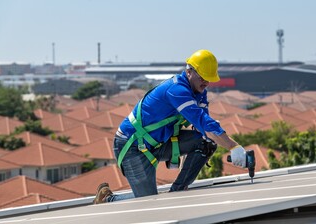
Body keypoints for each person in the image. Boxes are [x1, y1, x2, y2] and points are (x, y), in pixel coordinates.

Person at [93, 49, 248, 204]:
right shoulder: (176, 90)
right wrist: (233, 147)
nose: (206, 82)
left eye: (209, 79)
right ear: (189, 72)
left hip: (157, 142)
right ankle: (107, 199)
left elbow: (204, 127)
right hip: (132, 145)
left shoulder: (199, 93)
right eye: (202, 77)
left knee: (205, 142)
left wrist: (215, 134)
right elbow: (204, 123)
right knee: (148, 201)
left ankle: (178, 191)